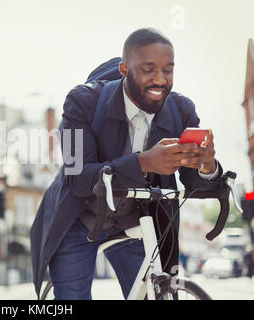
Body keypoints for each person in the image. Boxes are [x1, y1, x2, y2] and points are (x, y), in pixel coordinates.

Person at [30, 28, 223, 300]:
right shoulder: (79, 102)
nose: (160, 79)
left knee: (150, 293)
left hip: (136, 221)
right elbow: (77, 177)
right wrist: (144, 162)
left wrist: (207, 166)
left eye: (168, 70)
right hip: (79, 219)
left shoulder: (182, 111)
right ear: (124, 70)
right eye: (148, 69)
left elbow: (192, 180)